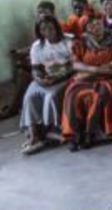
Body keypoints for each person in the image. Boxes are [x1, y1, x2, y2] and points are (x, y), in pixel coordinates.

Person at [61, 16, 112, 150]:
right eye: (91, 26)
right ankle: (75, 134)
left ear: (103, 25)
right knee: (71, 92)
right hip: (88, 77)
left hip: (107, 78)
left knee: (101, 93)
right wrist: (97, 69)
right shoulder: (80, 42)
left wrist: (90, 71)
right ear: (86, 29)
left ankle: (89, 133)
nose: (96, 27)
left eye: (98, 24)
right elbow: (76, 64)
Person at [20, 14, 74, 155]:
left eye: (51, 27)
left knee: (51, 95)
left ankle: (50, 130)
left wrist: (56, 79)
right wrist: (40, 80)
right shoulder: (37, 46)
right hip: (45, 78)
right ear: (40, 31)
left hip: (65, 77)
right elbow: (36, 69)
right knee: (30, 95)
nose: (48, 31)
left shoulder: (69, 41)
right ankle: (34, 136)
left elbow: (74, 66)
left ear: (57, 27)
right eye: (43, 29)